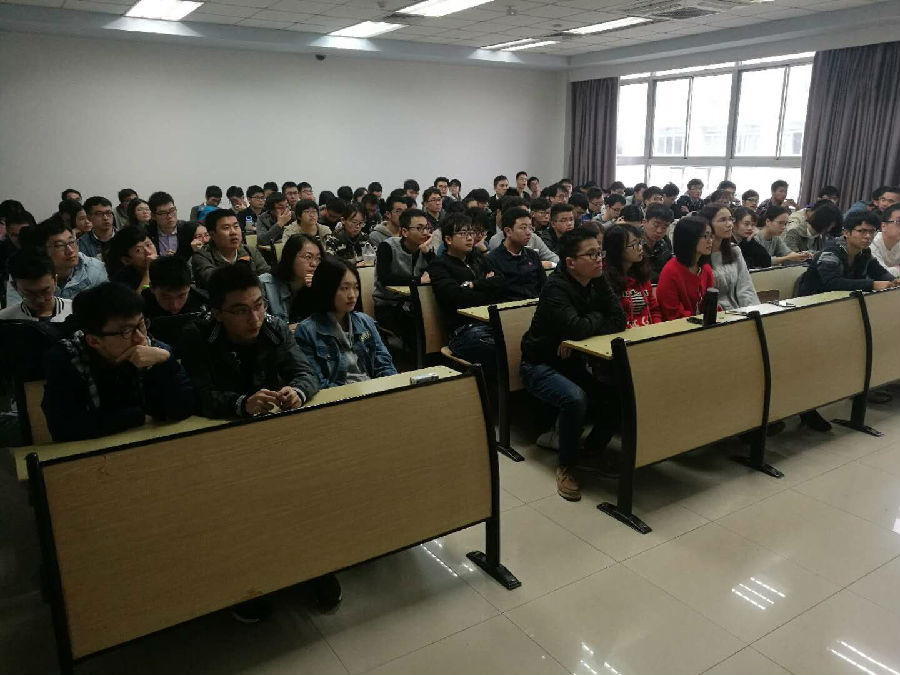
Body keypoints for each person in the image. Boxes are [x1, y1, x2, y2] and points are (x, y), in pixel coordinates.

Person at [520, 228, 626, 501]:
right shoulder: (555, 288)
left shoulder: (597, 278)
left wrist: (583, 327)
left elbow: (618, 318)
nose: (599, 259)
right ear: (570, 262)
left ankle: (591, 452)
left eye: (599, 252)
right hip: (538, 365)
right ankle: (566, 466)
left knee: (617, 394)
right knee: (575, 399)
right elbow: (576, 327)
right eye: (591, 254)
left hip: (574, 362)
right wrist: (594, 318)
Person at [41, 282, 194, 442]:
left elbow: (184, 408)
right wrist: (138, 416)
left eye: (141, 324)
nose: (140, 338)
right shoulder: (66, 358)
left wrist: (167, 361)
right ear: (94, 341)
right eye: (126, 331)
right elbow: (63, 429)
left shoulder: (155, 350)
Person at [295, 256, 396, 388]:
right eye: (344, 288)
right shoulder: (307, 331)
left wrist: (390, 388)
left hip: (372, 389)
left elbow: (384, 364)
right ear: (327, 289)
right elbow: (316, 380)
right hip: (339, 395)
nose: (352, 295)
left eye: (356, 287)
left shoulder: (365, 321)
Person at [428, 213, 505, 374]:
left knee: (522, 340)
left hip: (490, 322)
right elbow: (457, 298)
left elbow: (501, 283)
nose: (470, 238)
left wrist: (474, 285)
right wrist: (487, 287)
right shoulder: (439, 265)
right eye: (463, 233)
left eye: (471, 233)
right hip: (463, 330)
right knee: (501, 349)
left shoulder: (476, 257)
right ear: (448, 239)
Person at [373, 208, 433, 351]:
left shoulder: (425, 249)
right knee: (417, 323)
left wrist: (428, 254)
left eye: (426, 228)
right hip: (389, 304)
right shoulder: (387, 246)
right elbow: (385, 279)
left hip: (416, 302)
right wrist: (418, 280)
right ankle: (417, 358)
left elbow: (437, 273)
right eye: (419, 228)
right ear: (405, 232)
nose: (425, 232)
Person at [799, 211, 899, 295]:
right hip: (812, 301)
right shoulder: (831, 251)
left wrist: (894, 281)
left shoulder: (865, 252)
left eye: (872, 231)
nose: (868, 236)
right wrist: (872, 285)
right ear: (846, 233)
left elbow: (879, 272)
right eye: (861, 231)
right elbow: (831, 282)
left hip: (841, 300)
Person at [8, 220, 107, 304]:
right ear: (42, 250)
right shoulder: (25, 271)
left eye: (71, 242)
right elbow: (14, 312)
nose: (70, 250)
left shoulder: (95, 269)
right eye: (59, 245)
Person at [656, 216, 716, 320]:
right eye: (705, 236)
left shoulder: (705, 268)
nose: (710, 241)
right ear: (689, 238)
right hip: (680, 326)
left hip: (703, 324)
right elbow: (672, 313)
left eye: (711, 236)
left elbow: (710, 304)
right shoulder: (670, 271)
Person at [191, 209, 269, 289]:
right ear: (212, 234)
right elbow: (215, 280)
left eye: (236, 226)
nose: (233, 232)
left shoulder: (250, 251)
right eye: (226, 228)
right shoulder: (201, 256)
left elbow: (267, 277)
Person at [701, 203, 758, 310]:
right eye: (723, 220)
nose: (730, 224)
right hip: (713, 312)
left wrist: (752, 312)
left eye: (731, 219)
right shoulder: (699, 253)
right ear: (708, 224)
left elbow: (746, 287)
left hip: (738, 311)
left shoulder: (734, 250)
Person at [259, 234, 323, 327]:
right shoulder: (265, 284)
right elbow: (258, 323)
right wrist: (285, 330)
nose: (314, 264)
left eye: (318, 259)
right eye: (308, 257)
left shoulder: (317, 287)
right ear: (290, 257)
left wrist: (318, 291)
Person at [603, 224, 661, 328]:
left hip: (649, 332)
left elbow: (654, 309)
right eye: (634, 244)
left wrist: (657, 329)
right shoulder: (606, 280)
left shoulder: (641, 274)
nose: (640, 248)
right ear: (617, 248)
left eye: (640, 242)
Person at [486, 207, 547, 301]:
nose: (528, 233)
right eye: (523, 228)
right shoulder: (493, 259)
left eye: (530, 227)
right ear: (508, 231)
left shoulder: (532, 255)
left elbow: (544, 286)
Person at [0, 250, 74, 323]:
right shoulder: (4, 320)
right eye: (30, 293)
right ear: (14, 286)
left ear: (55, 280)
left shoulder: (76, 312)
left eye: (45, 291)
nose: (40, 300)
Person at [141, 256, 208, 320]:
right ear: (152, 288)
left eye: (181, 296)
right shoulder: (140, 307)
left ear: (189, 286)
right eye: (166, 297)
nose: (175, 305)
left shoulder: (204, 305)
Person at [105, 225, 158, 293]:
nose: (148, 252)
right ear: (126, 260)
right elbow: (138, 298)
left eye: (148, 245)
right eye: (138, 250)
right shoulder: (122, 280)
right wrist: (148, 271)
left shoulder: (163, 263)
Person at [147, 191, 189, 258]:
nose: (169, 216)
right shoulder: (147, 233)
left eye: (172, 210)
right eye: (163, 213)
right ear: (153, 216)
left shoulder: (188, 229)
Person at [640, 204, 674, 283]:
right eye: (656, 225)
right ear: (644, 222)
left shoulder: (665, 242)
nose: (659, 231)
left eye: (664, 227)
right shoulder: (633, 241)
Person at [871, 204, 900, 278]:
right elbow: (880, 274)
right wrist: (897, 269)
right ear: (883, 226)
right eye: (899, 222)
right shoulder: (871, 242)